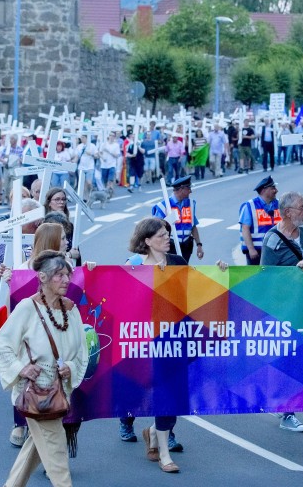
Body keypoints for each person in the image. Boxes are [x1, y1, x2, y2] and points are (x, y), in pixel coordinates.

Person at [0, 250, 88, 487]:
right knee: (56, 456)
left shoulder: (71, 309)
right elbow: (2, 343)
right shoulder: (27, 307)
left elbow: (82, 351)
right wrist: (20, 368)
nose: (66, 280)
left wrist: (70, 367)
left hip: (59, 390)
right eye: (59, 275)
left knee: (35, 448)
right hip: (36, 391)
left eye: (68, 274)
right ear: (42, 278)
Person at [120, 217, 186, 471]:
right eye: (160, 235)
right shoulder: (136, 266)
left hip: (175, 341)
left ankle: (152, 432)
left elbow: (195, 293)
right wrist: (92, 270)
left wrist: (221, 271)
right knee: (161, 393)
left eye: (167, 233)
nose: (167, 237)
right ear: (146, 241)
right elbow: (120, 295)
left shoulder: (178, 262)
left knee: (174, 395)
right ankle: (165, 454)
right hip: (148, 342)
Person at [260, 191, 303, 433]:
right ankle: (287, 412)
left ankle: (285, 404)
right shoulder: (272, 240)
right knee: (288, 358)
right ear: (289, 212)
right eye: (302, 207)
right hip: (284, 309)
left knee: (300, 358)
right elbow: (266, 276)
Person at [151, 176, 203, 263]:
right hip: (170, 246)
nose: (190, 191)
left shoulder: (190, 204)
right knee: (172, 274)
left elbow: (193, 226)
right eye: (188, 188)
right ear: (181, 189)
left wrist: (199, 245)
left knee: (183, 273)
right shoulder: (164, 206)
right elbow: (155, 231)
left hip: (186, 247)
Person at [239, 175, 281, 265]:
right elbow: (245, 229)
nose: (276, 190)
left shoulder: (279, 204)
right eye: (273, 188)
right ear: (263, 190)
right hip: (257, 252)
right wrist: (251, 249)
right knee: (256, 277)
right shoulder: (250, 206)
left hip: (276, 249)